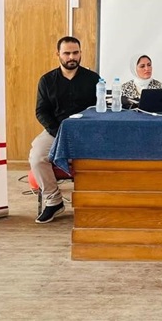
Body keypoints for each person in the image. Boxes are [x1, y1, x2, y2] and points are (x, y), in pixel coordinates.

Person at [28, 36, 99, 224]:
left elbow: (101, 109)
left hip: (86, 132)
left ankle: (95, 201)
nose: (71, 57)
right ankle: (54, 201)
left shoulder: (94, 79)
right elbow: (41, 111)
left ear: (81, 53)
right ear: (58, 54)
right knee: (37, 157)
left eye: (75, 53)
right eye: (67, 53)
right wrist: (57, 131)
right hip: (56, 130)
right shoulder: (46, 80)